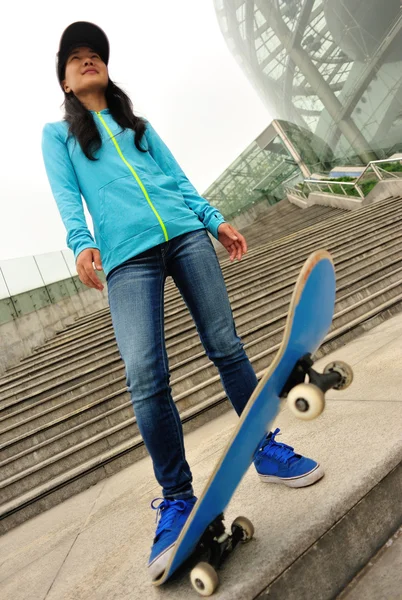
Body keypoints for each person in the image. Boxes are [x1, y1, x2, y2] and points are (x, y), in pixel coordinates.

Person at [41, 21, 324, 581]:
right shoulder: (59, 135)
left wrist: (214, 221)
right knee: (145, 376)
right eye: (75, 58)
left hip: (185, 236)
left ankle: (264, 448)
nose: (88, 60)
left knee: (225, 344)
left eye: (94, 53)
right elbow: (66, 195)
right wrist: (82, 243)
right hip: (126, 258)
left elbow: (175, 179)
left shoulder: (138, 125)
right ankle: (176, 500)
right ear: (66, 81)